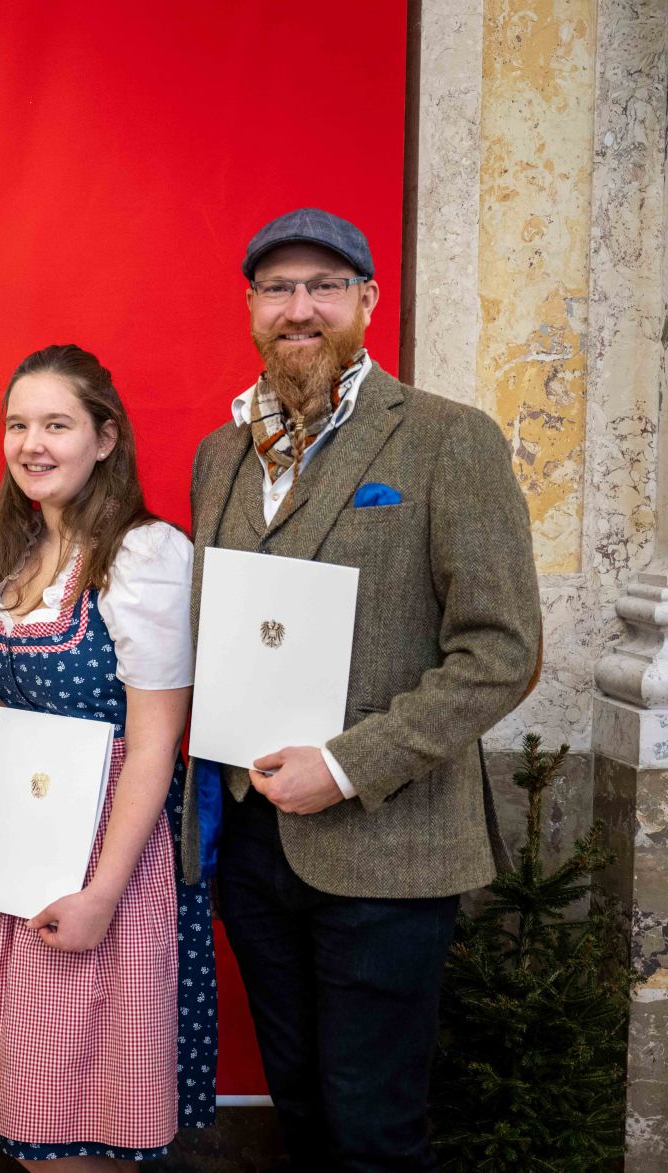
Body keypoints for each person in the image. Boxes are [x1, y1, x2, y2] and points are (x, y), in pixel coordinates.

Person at [182, 208, 541, 1170]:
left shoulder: (446, 440)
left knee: (373, 1131)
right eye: (277, 289)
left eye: (325, 286)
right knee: (300, 1114)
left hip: (388, 850)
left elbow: (501, 650)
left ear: (368, 303)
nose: (300, 308)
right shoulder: (220, 456)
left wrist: (346, 765)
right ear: (252, 308)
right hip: (253, 847)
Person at [0, 344, 218, 1169]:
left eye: (57, 423)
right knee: (34, 1114)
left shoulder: (144, 555)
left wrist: (100, 894)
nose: (32, 443)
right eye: (18, 424)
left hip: (105, 852)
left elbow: (157, 741)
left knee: (81, 1122)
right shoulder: (19, 554)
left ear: (105, 438)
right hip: (23, 847)